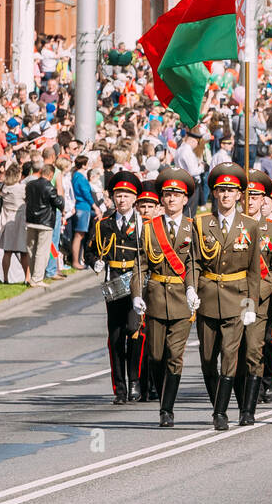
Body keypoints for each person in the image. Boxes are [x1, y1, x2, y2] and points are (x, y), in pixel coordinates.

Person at [192, 162, 261, 431]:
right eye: (221, 190)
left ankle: (220, 413)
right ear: (214, 194)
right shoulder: (201, 224)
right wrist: (191, 289)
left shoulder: (250, 226)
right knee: (208, 359)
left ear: (238, 195)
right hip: (208, 296)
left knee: (230, 355)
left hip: (237, 297)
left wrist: (251, 304)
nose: (225, 195)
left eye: (231, 191)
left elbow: (254, 270)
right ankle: (217, 404)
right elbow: (195, 262)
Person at [131, 166, 198, 428]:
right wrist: (137, 294)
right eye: (167, 194)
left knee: (174, 355)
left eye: (176, 195)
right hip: (157, 298)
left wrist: (192, 288)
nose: (171, 199)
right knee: (156, 356)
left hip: (182, 299)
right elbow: (141, 266)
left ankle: (167, 409)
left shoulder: (193, 228)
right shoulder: (149, 229)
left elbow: (193, 263)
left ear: (185, 199)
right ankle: (163, 397)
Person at [87, 171, 147, 405]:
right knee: (115, 337)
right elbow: (90, 250)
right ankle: (119, 388)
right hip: (113, 284)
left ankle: (135, 381)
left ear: (134, 199)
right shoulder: (104, 225)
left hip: (136, 284)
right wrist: (95, 262)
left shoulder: (143, 224)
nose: (121, 200)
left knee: (134, 331)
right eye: (118, 195)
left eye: (126, 196)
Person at [234, 171, 272, 423]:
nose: (251, 200)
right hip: (231, 297)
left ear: (264, 199)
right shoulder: (232, 226)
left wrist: (257, 295)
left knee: (254, 351)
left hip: (260, 299)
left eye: (256, 196)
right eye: (247, 195)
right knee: (234, 352)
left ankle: (249, 407)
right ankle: (240, 396)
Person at [24, 163, 64, 287]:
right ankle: (37, 278)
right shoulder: (49, 187)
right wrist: (61, 195)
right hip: (45, 222)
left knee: (31, 249)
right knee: (42, 250)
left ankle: (32, 277)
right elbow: (59, 203)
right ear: (51, 174)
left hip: (31, 220)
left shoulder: (30, 185)